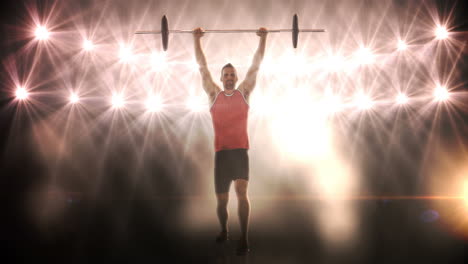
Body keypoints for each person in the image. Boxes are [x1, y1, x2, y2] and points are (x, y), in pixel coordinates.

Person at [193, 27, 267, 255]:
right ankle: (224, 229)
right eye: (225, 74)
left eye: (232, 74)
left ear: (236, 77)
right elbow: (202, 67)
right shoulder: (213, 94)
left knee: (242, 192)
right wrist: (196, 40)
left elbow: (256, 65)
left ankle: (244, 239)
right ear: (221, 77)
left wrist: (264, 39)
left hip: (240, 152)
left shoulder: (244, 92)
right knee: (223, 202)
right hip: (222, 154)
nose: (229, 77)